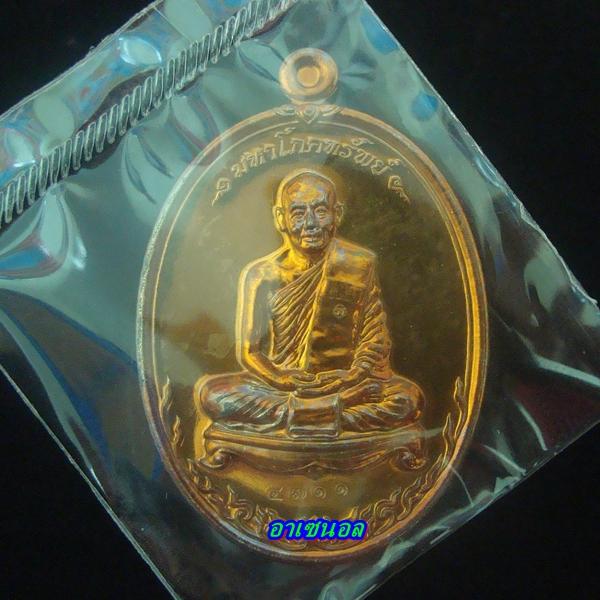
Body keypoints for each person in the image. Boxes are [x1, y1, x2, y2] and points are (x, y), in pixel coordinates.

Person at [194, 168, 424, 438]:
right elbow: (250, 352)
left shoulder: (358, 265)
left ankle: (302, 415)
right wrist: (280, 378)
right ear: (280, 218)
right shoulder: (262, 275)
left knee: (408, 398)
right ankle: (333, 413)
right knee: (214, 395)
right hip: (283, 387)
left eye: (321, 211)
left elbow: (374, 336)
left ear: (337, 214)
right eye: (299, 213)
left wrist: (352, 376)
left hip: (345, 384)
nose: (311, 223)